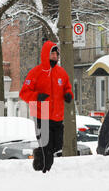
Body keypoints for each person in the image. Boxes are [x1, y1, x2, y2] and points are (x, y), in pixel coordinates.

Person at [19, 40, 74, 173]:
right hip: (41, 113)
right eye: (52, 54)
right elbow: (23, 93)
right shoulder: (35, 73)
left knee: (57, 145)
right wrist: (37, 97)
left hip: (57, 115)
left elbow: (67, 87)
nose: (55, 57)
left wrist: (68, 94)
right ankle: (45, 171)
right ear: (45, 55)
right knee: (47, 146)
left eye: (56, 54)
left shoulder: (61, 73)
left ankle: (38, 153)